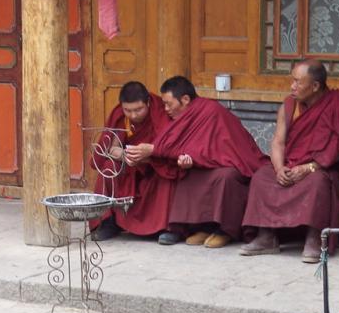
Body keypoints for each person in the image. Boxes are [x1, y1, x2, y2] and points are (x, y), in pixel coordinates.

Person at [240, 60, 339, 263]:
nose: (292, 87)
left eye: (298, 82)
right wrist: (279, 168)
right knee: (262, 177)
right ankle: (266, 236)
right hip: (291, 163)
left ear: (315, 86)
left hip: (324, 166)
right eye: (292, 81)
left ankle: (315, 238)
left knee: (316, 183)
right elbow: (278, 142)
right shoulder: (289, 106)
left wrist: (309, 167)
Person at [125, 76, 268, 247]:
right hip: (205, 162)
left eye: (169, 104)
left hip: (231, 164)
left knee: (225, 177)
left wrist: (157, 150)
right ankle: (203, 227)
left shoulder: (210, 111)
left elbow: (222, 149)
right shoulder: (184, 117)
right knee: (187, 176)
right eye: (164, 104)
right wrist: (188, 160)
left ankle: (226, 230)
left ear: (185, 99)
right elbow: (184, 146)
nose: (166, 109)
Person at [90, 81, 177, 243]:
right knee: (109, 167)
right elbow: (110, 148)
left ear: (148, 103)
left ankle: (164, 227)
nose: (133, 115)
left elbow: (169, 147)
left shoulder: (160, 112)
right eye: (128, 110)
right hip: (130, 164)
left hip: (155, 165)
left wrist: (149, 154)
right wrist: (125, 155)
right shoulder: (119, 115)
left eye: (138, 110)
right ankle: (108, 222)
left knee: (167, 174)